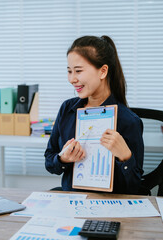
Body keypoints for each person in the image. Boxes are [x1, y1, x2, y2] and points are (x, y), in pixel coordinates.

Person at [45, 35, 144, 194]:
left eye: (78, 71)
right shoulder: (67, 109)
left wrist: (125, 157)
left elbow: (133, 187)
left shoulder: (128, 121)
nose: (72, 79)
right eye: (69, 71)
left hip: (110, 206)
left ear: (103, 71)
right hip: (72, 203)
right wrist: (63, 159)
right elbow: (50, 161)